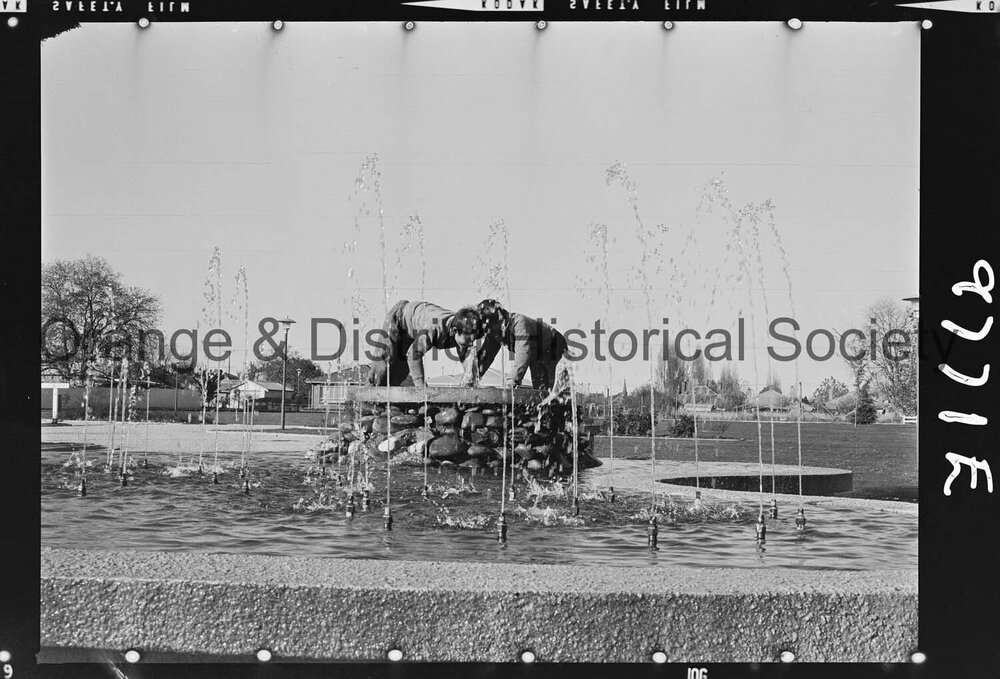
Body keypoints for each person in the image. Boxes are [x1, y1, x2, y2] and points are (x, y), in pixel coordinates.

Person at [367, 300, 482, 388]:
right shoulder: (434, 327)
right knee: (381, 366)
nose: (470, 343)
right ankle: (364, 400)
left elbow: (467, 362)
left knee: (399, 374)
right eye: (467, 340)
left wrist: (470, 379)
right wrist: (421, 391)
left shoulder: (463, 326)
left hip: (413, 331)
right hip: (398, 318)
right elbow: (413, 354)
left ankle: (387, 409)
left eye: (473, 339)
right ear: (455, 330)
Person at [475, 299, 568, 390]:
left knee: (555, 388)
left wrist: (513, 380)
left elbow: (523, 353)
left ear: (499, 318)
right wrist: (472, 378)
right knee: (540, 390)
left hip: (554, 344)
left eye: (488, 329)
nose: (488, 333)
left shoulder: (519, 322)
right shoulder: (494, 331)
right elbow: (485, 357)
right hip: (536, 353)